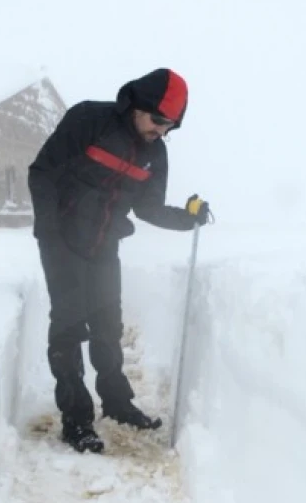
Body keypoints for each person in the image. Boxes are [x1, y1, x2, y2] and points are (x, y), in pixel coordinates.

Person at [27, 68, 212, 453]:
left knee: (108, 326)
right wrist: (49, 232)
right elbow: (41, 172)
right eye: (159, 120)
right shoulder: (89, 120)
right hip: (62, 242)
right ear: (138, 105)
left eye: (171, 126)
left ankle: (117, 404)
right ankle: (76, 421)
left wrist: (186, 218)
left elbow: (148, 209)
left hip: (104, 247)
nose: (162, 131)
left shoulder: (155, 153)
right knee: (68, 328)